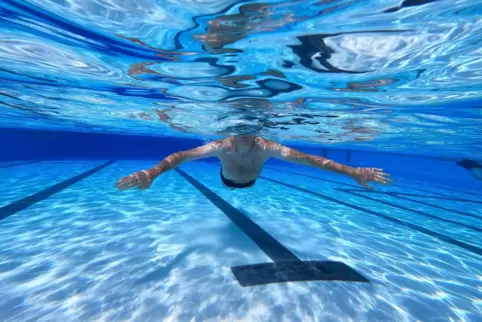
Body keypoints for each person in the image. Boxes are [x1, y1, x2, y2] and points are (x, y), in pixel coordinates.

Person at [115, 135, 392, 191]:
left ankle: (237, 183)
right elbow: (182, 156)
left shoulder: (268, 147)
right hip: (229, 179)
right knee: (230, 183)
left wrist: (352, 171)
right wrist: (152, 172)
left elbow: (313, 161)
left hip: (248, 182)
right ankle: (231, 183)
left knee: (238, 184)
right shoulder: (219, 146)